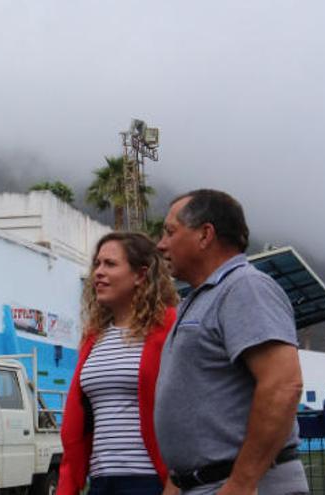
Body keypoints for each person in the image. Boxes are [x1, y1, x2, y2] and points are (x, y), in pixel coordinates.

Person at [154, 189, 308, 495]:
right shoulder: (196, 300)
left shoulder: (245, 287)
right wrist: (178, 480)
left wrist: (242, 482)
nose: (161, 244)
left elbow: (283, 385)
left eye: (170, 232)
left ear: (204, 235)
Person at [57, 232, 179, 495]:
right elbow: (78, 420)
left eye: (110, 264)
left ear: (140, 275)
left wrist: (175, 483)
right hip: (101, 482)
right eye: (97, 264)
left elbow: (189, 408)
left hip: (150, 482)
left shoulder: (169, 327)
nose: (98, 272)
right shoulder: (93, 337)